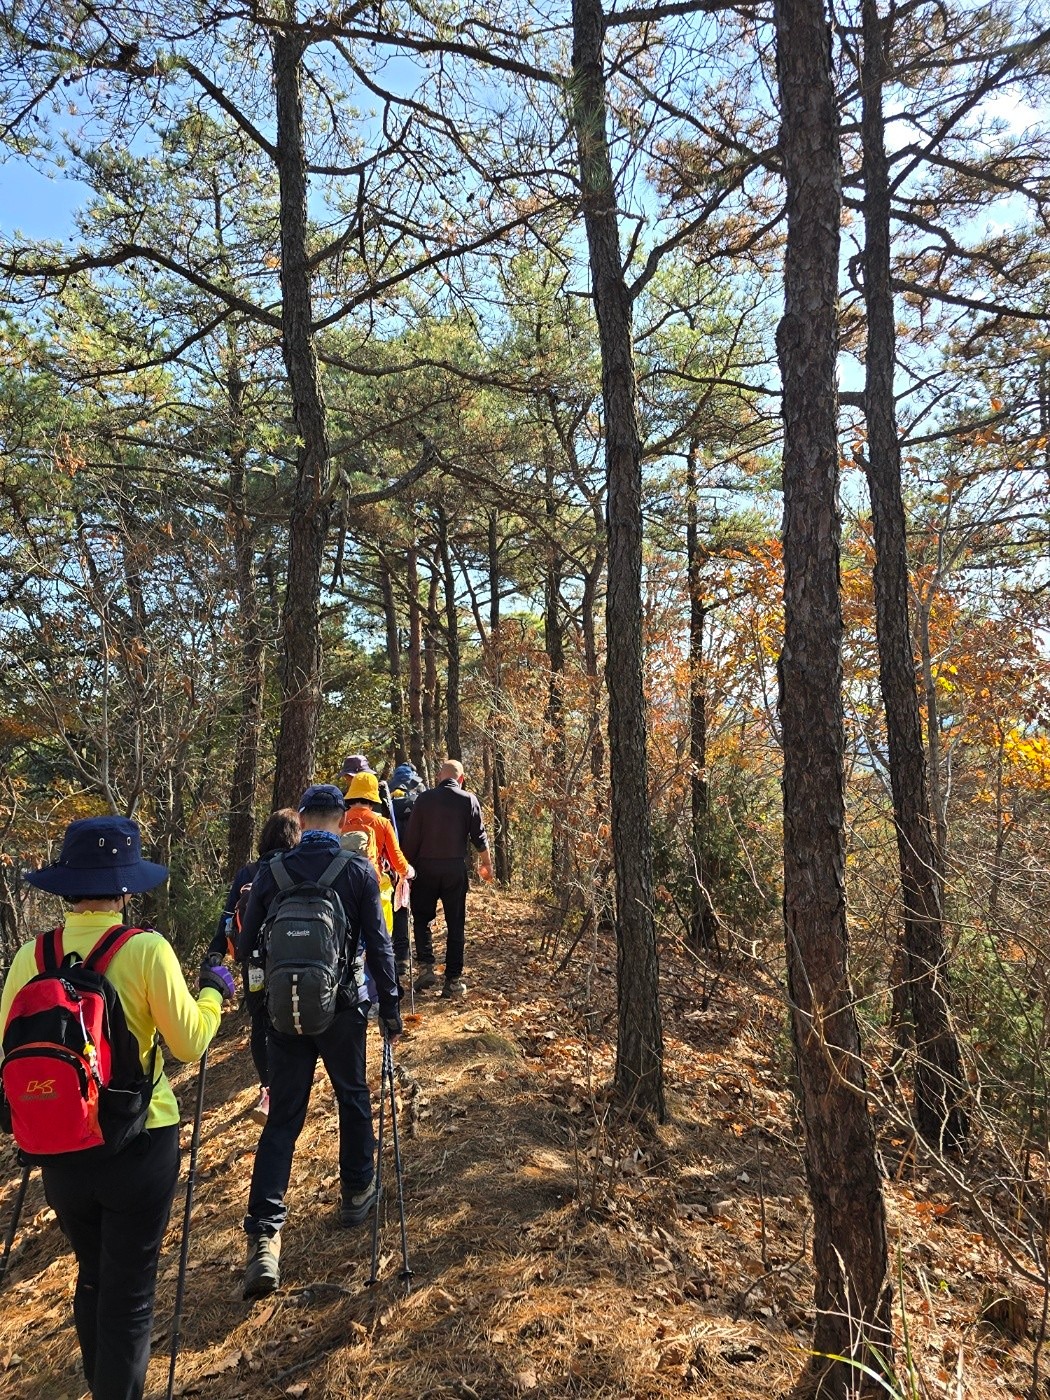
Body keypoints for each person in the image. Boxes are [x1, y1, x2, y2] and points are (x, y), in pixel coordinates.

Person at [0, 815, 235, 1400]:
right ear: (125, 889)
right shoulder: (145, 950)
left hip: (59, 1148)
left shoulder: (33, 956)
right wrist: (212, 991)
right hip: (139, 1140)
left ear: (67, 887)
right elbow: (188, 1044)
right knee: (129, 1294)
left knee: (95, 1278)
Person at [235, 784, 401, 1299]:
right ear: (342, 820)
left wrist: (259, 1007)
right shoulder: (357, 871)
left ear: (304, 819)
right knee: (352, 1096)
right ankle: (356, 1190)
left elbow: (247, 945)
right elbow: (379, 943)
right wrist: (389, 1008)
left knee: (283, 1118)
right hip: (342, 1010)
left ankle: (264, 1235)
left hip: (284, 1015)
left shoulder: (273, 872)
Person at [206, 808, 301, 1125]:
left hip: (254, 962)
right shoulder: (297, 866)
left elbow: (226, 916)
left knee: (261, 1022)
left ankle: (269, 1088)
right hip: (291, 958)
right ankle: (293, 1081)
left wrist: (216, 952)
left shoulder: (248, 872)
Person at [402, 759, 493, 1000]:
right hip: (454, 868)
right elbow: (479, 836)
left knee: (421, 918)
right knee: (456, 923)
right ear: (461, 779)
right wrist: (487, 864)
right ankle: (452, 981)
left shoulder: (424, 800)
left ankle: (426, 967)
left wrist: (405, 869)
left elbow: (411, 841)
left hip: (425, 867)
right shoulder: (468, 800)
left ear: (439, 777)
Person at [341, 769, 412, 938]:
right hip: (373, 885)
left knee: (350, 939)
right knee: (379, 939)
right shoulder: (381, 822)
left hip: (343, 887)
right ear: (373, 796)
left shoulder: (338, 820)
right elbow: (397, 860)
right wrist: (409, 872)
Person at [388, 762, 426, 977]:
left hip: (395, 863)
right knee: (419, 910)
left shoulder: (388, 800)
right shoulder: (420, 798)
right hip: (417, 862)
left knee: (399, 910)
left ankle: (401, 958)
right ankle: (422, 961)